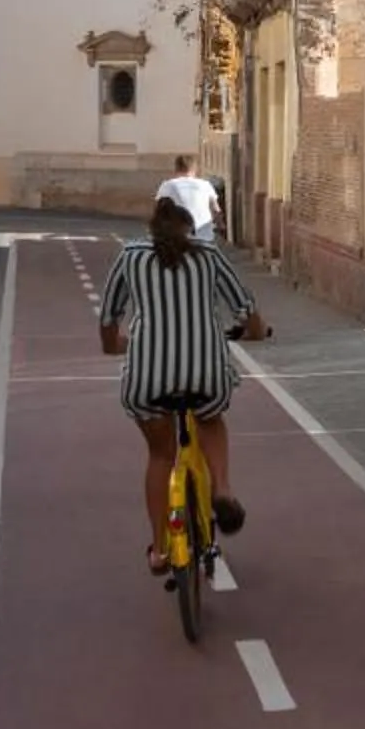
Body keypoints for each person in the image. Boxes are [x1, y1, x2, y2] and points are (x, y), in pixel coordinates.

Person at [98, 196, 271, 573]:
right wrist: (255, 332)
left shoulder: (130, 256)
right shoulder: (208, 254)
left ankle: (160, 550)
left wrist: (114, 345)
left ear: (151, 229)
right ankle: (222, 489)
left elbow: (109, 315)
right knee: (210, 417)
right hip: (205, 372)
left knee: (161, 455)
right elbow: (245, 306)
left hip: (148, 377)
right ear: (189, 229)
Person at [155, 155, 222, 242]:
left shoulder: (168, 185)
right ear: (195, 169)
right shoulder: (205, 184)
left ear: (176, 169)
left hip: (178, 237)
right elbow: (216, 209)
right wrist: (220, 225)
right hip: (204, 236)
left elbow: (159, 210)